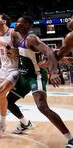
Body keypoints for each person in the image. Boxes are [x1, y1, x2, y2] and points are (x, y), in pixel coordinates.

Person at [11, 16, 73, 147]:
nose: (16, 23)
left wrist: (54, 71)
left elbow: (49, 51)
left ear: (27, 25)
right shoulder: (17, 37)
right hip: (23, 77)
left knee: (42, 107)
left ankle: (70, 137)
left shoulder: (31, 38)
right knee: (8, 101)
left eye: (19, 22)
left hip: (36, 76)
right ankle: (25, 123)